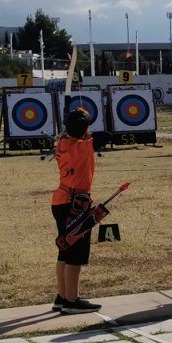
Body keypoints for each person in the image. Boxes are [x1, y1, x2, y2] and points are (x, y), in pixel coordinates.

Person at [50, 110, 101, 314]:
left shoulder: (62, 144)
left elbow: (76, 136)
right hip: (75, 204)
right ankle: (72, 301)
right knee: (76, 253)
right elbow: (106, 136)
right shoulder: (84, 147)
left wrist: (75, 131)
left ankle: (62, 297)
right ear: (86, 129)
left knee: (65, 249)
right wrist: (86, 134)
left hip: (61, 200)